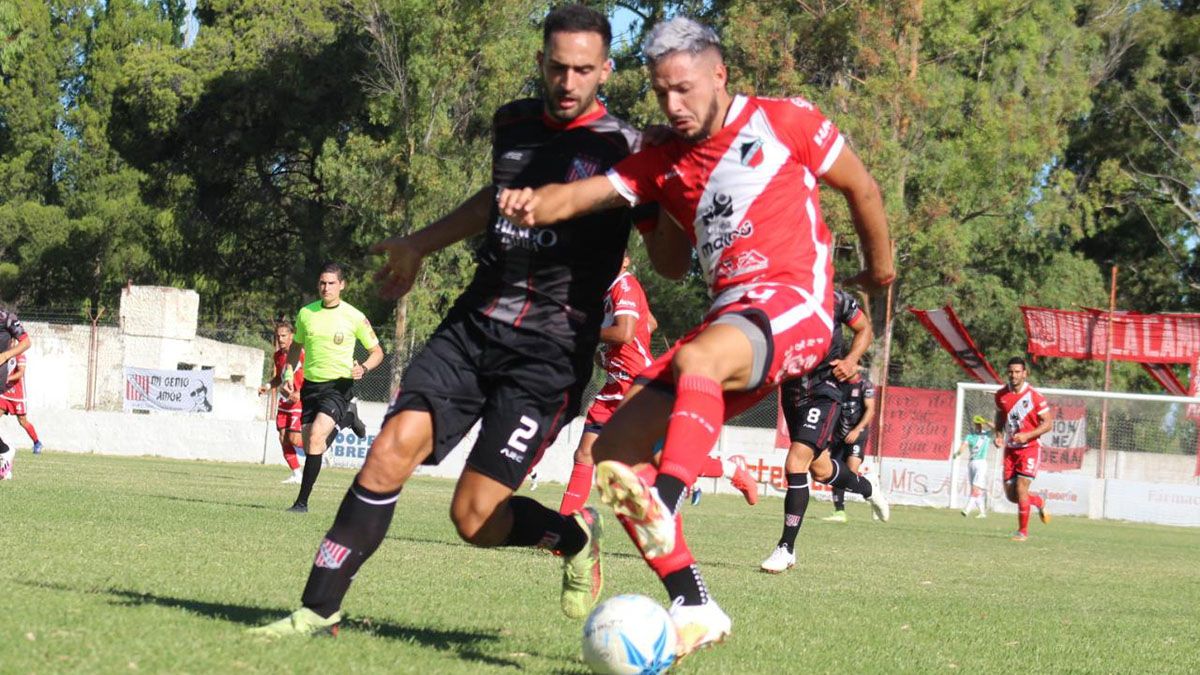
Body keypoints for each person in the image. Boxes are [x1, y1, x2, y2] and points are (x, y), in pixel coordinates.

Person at [250, 5, 668, 638]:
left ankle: (572, 535)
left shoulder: (628, 149)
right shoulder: (515, 123)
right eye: (558, 66)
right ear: (541, 63)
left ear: (606, 69)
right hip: (474, 325)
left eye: (584, 69)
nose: (568, 81)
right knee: (388, 451)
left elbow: (670, 259)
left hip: (548, 356)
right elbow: (491, 200)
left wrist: (674, 191)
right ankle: (317, 608)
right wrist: (419, 243)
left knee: (473, 518)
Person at [498, 16, 893, 657]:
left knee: (696, 373)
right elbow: (663, 255)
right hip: (730, 321)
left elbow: (862, 187)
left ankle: (669, 496)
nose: (673, 106)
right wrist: (535, 203)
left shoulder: (784, 120)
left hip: (797, 305)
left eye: (683, 89)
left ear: (719, 74)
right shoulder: (664, 162)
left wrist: (881, 272)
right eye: (660, 94)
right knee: (613, 455)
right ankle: (693, 601)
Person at [762, 289, 885, 573]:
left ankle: (786, 548)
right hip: (792, 392)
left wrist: (851, 359)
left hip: (824, 391)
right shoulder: (776, 299)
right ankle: (868, 487)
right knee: (820, 469)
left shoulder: (836, 298)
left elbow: (864, 328)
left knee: (795, 463)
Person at [558, 253, 658, 515]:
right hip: (615, 384)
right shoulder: (606, 291)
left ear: (625, 260)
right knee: (584, 455)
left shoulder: (624, 285)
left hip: (638, 384)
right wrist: (607, 356)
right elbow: (649, 323)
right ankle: (565, 526)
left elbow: (624, 333)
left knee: (662, 457)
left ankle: (730, 469)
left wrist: (585, 335)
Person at [282, 262, 384, 513]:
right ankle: (347, 418)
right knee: (312, 445)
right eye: (322, 283)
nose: (325, 288)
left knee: (316, 437)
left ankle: (301, 502)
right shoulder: (306, 313)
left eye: (331, 283)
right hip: (310, 386)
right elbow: (296, 346)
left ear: (342, 285)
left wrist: (365, 369)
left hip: (338, 387)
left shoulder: (354, 316)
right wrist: (288, 372)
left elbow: (377, 352)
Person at [994, 357, 1052, 541]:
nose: (1014, 375)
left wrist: (1027, 435)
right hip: (1011, 450)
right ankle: (1039, 501)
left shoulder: (1035, 396)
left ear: (1025, 373)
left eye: (1018, 371)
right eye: (1011, 371)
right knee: (1012, 496)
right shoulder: (1001, 395)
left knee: (1021, 488)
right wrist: (998, 434)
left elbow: (1048, 423)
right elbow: (1000, 416)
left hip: (1030, 448)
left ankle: (1022, 532)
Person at [822, 370, 877, 522]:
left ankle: (869, 486)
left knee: (850, 474)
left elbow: (871, 410)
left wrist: (857, 430)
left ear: (856, 366)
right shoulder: (838, 385)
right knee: (836, 473)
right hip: (838, 437)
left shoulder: (865, 385)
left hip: (857, 436)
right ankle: (840, 512)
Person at [260, 322, 306, 484]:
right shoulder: (278, 355)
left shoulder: (301, 353)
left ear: (291, 336)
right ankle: (297, 474)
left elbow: (310, 376)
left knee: (294, 439)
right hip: (284, 401)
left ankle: (319, 449)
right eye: (278, 336)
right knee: (283, 437)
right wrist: (267, 386)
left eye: (284, 336)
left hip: (298, 402)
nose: (280, 339)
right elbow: (279, 378)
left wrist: (300, 393)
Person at [0, 308, 32, 480]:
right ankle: (5, 451)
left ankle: (5, 451)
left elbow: (26, 343)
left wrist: (5, 355)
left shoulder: (7, 318)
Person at [2, 350, 43, 454]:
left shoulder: (20, 355)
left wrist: (6, 379)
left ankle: (37, 442)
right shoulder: (4, 353)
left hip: (18, 396)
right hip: (5, 393)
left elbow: (20, 373)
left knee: (22, 421)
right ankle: (2, 448)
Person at [955, 415, 992, 518]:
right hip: (971, 463)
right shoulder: (970, 436)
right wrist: (958, 453)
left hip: (981, 463)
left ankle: (967, 510)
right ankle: (982, 513)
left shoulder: (987, 435)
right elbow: (964, 446)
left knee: (975, 488)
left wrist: (985, 421)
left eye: (980, 424)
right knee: (975, 489)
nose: (978, 426)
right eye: (977, 424)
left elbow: (996, 428)